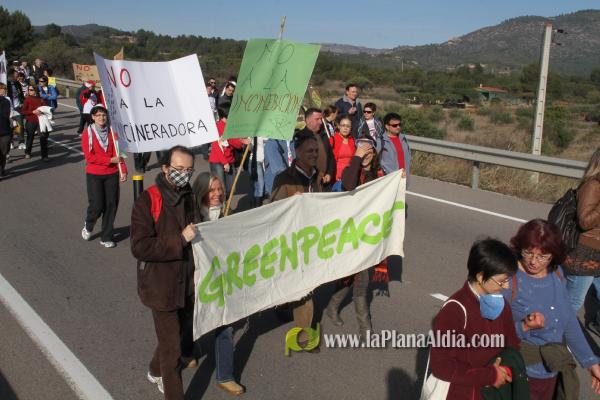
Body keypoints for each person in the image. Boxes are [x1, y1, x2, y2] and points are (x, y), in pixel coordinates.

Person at [505, 219, 600, 399]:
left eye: (542, 256)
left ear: (553, 255)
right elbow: (490, 330)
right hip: (518, 374)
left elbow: (569, 321)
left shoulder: (556, 274)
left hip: (551, 372)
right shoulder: (508, 280)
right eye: (528, 253)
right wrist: (524, 326)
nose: (533, 261)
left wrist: (590, 363)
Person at [131, 146, 197, 400]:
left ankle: (154, 369)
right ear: (165, 168)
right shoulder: (148, 200)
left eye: (189, 170)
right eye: (179, 169)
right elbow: (140, 246)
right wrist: (179, 240)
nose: (184, 174)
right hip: (161, 287)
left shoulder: (189, 194)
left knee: (174, 334)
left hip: (187, 282)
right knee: (172, 349)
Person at [429, 239, 521, 400]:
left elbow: (512, 344)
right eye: (501, 281)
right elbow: (441, 366)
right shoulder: (455, 310)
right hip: (460, 394)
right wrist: (490, 376)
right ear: (480, 276)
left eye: (508, 280)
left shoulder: (501, 304)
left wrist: (505, 369)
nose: (506, 287)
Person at [191, 172, 245, 396]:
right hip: (196, 279)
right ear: (201, 192)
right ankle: (188, 351)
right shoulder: (191, 216)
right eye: (211, 190)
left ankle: (225, 376)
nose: (217, 194)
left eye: (219, 189)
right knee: (190, 320)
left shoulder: (227, 213)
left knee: (226, 324)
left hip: (221, 279)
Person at [271, 131, 323, 350]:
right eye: (309, 150)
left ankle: (302, 331)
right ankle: (300, 330)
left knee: (305, 287)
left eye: (316, 151)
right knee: (298, 288)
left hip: (311, 240)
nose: (314, 154)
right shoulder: (284, 178)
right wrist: (291, 204)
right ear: (297, 151)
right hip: (291, 241)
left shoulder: (318, 176)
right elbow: (272, 211)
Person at [325, 139, 378, 339]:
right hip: (349, 235)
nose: (365, 154)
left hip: (369, 235)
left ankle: (332, 307)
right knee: (361, 281)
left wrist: (399, 181)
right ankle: (365, 328)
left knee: (350, 278)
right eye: (361, 150)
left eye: (368, 151)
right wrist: (356, 158)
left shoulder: (380, 175)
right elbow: (348, 184)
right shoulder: (351, 171)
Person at [563, 148, 600, 332]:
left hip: (597, 254)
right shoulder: (593, 186)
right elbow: (584, 221)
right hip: (585, 254)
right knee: (574, 301)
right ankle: (553, 338)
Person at [81, 105, 127, 248]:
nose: (101, 118)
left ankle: (106, 236)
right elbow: (90, 157)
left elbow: (119, 152)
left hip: (111, 174)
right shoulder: (87, 133)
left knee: (111, 205)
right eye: (98, 115)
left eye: (104, 115)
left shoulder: (113, 132)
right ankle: (89, 225)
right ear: (93, 117)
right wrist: (109, 160)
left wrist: (123, 169)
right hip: (94, 174)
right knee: (97, 205)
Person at [208, 108, 246, 198]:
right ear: (223, 117)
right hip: (217, 161)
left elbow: (233, 141)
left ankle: (225, 202)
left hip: (230, 159)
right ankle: (221, 205)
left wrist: (242, 141)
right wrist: (224, 162)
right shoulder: (217, 127)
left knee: (230, 187)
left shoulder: (230, 126)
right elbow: (216, 146)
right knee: (220, 187)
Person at [296, 108, 335, 188]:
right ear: (308, 120)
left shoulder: (324, 136)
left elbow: (331, 157)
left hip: (326, 184)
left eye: (321, 119)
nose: (320, 122)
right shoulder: (300, 137)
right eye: (317, 119)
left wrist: (329, 174)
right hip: (308, 184)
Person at [378, 112, 411, 178]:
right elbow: (375, 160)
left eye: (399, 124)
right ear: (387, 126)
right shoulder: (380, 141)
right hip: (389, 179)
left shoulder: (403, 139)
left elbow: (408, 157)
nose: (398, 127)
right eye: (394, 125)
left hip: (404, 177)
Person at [20, 85, 47, 160]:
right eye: (29, 90)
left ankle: (44, 156)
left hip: (41, 121)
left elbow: (46, 108)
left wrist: (41, 111)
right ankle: (27, 153)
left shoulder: (41, 99)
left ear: (36, 91)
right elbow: (23, 111)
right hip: (30, 121)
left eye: (31, 90)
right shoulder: (27, 99)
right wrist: (32, 112)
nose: (29, 91)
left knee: (43, 137)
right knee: (30, 137)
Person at [329, 116, 356, 182]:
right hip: (336, 177)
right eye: (343, 125)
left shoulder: (353, 140)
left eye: (348, 126)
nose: (345, 128)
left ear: (351, 128)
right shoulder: (332, 139)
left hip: (350, 176)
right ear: (339, 126)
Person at [0, 84, 12, 178]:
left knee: (3, 153)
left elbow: (5, 114)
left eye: (4, 89)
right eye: (1, 89)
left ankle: (2, 169)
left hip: (5, 131)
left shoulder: (6, 101)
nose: (3, 90)